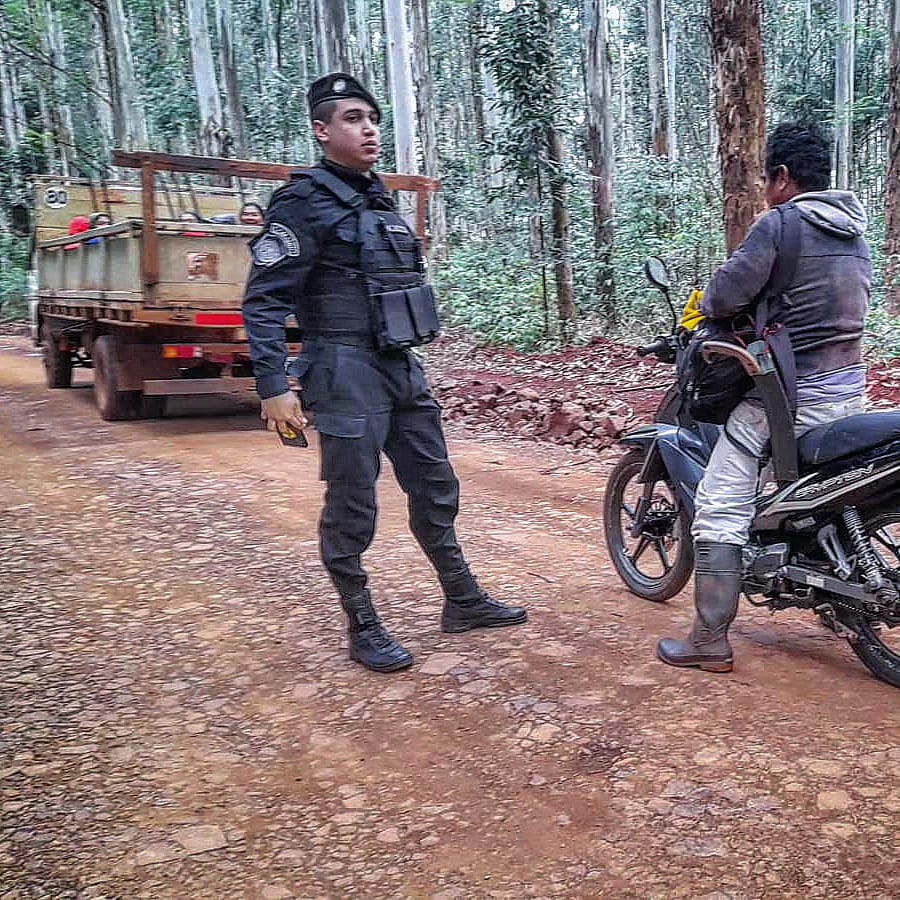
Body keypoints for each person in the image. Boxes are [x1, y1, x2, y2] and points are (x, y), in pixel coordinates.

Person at [242, 72, 526, 673]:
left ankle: (462, 599)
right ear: (321, 131)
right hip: (342, 368)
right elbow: (264, 299)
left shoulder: (378, 197)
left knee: (434, 484)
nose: (368, 128)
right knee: (353, 502)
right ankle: (363, 624)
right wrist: (273, 386)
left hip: (399, 365)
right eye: (351, 118)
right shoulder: (303, 202)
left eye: (372, 118)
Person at [657, 122, 872, 673]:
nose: (764, 188)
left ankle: (708, 639)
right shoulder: (854, 230)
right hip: (850, 388)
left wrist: (708, 301)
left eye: (766, 177)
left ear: (782, 177)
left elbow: (725, 295)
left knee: (720, 501)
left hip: (789, 397)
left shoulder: (780, 224)